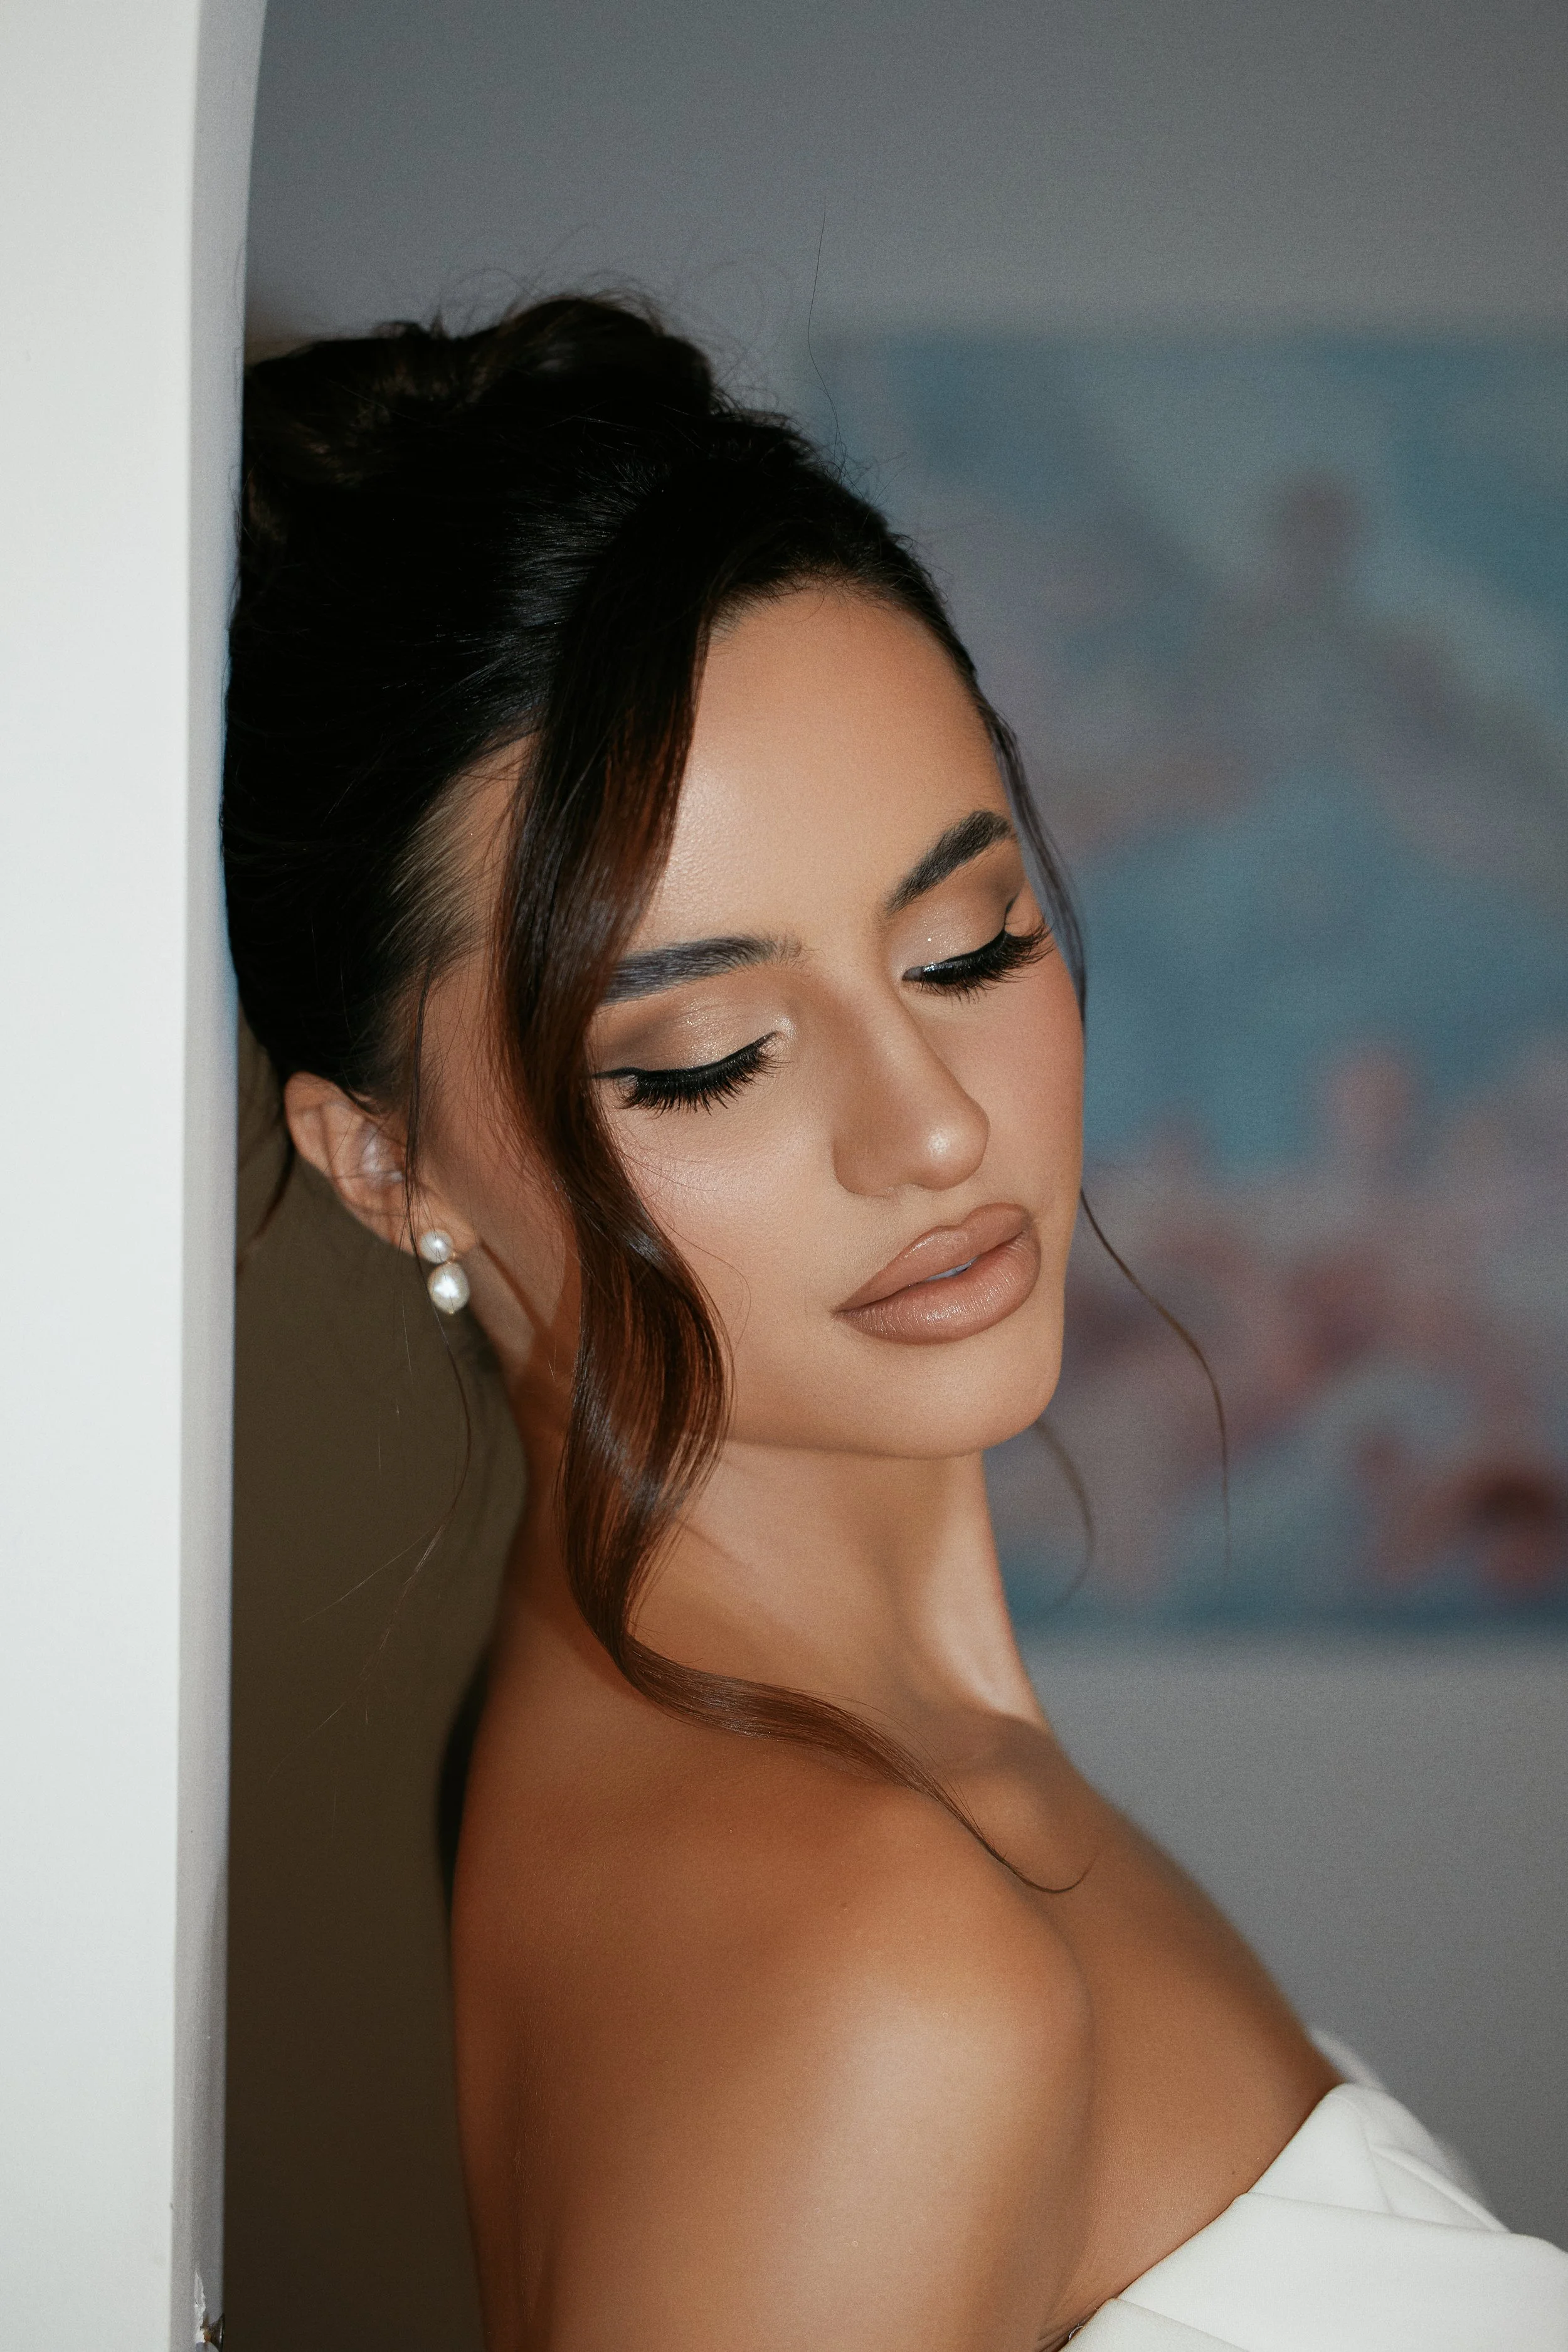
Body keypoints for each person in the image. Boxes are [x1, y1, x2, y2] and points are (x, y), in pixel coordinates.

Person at [223, 295, 1568, 2351]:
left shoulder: (736, 1796)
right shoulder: (870, 1955)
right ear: (383, 1159)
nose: (935, 1125)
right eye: (709, 1055)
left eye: (969, 940)